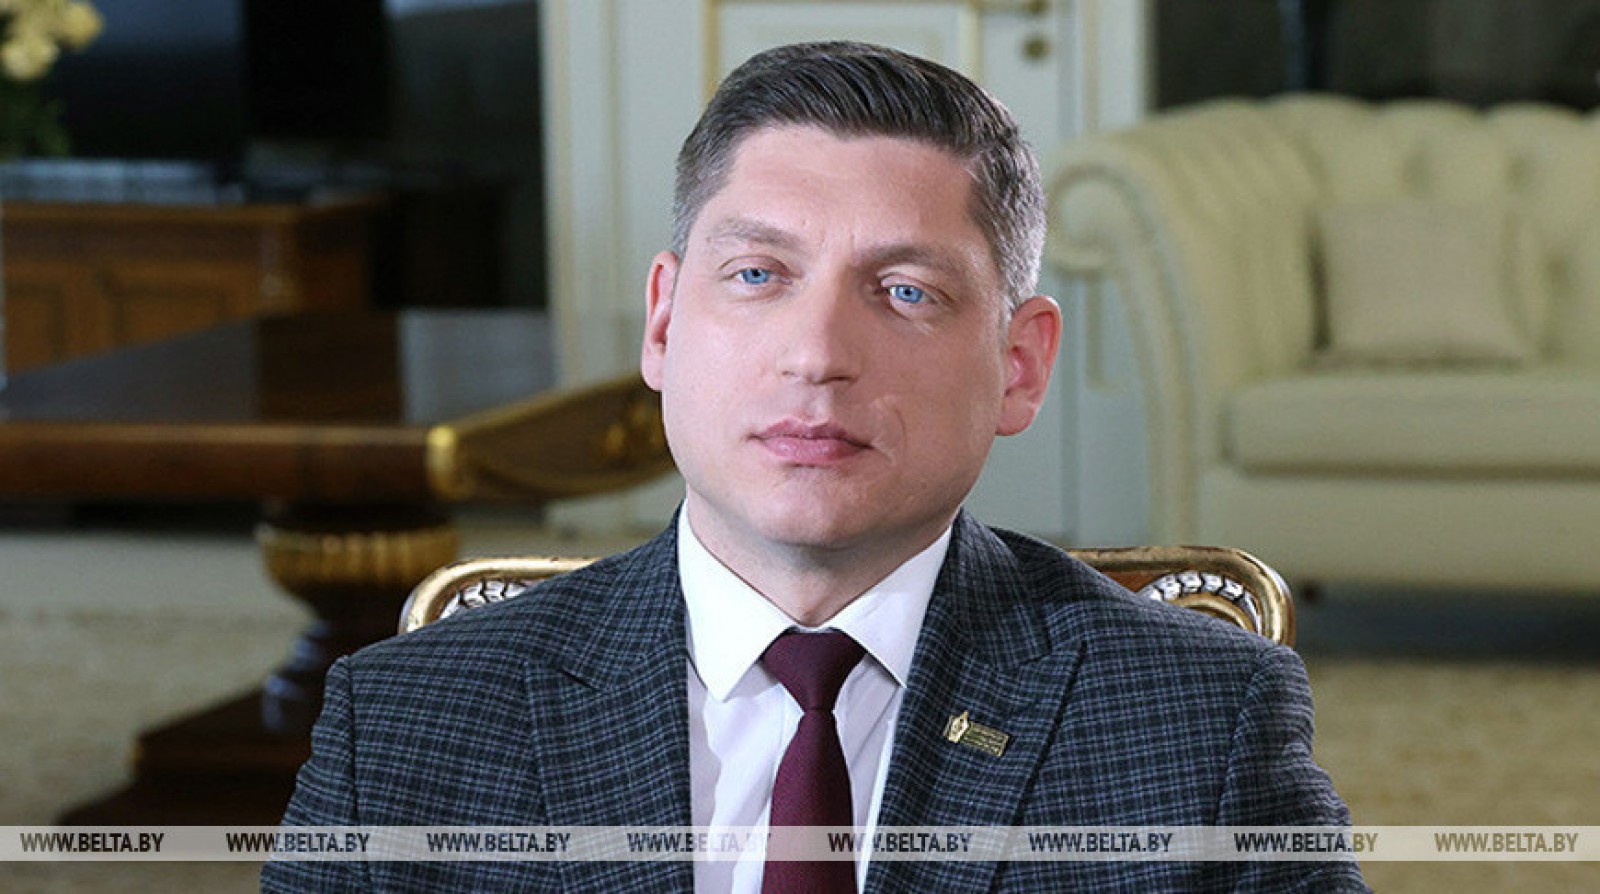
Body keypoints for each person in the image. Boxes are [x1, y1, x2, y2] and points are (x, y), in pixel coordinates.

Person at [264, 40, 1367, 893]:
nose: (817, 355)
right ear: (664, 323)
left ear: (1020, 365)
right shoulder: (405, 718)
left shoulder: (1202, 720)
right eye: (757, 274)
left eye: (905, 292)